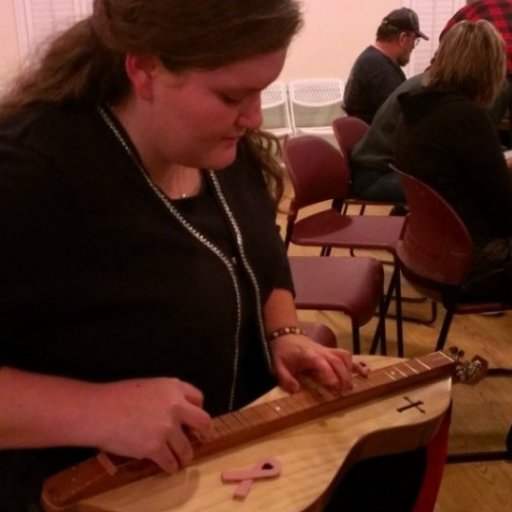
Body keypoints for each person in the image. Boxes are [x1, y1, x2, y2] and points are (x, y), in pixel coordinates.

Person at [0, 1, 432, 511]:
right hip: (95, 490)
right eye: (232, 95)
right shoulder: (28, 175)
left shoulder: (218, 147)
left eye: (260, 91)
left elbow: (261, 255)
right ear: (144, 68)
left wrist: (283, 333)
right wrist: (95, 410)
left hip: (226, 464)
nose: (253, 116)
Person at [396, 19, 512, 303]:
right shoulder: (467, 118)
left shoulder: (416, 108)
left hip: (428, 252)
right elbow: (505, 212)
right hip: (470, 264)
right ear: (490, 69)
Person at [342, 7, 428, 125]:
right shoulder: (380, 69)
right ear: (403, 38)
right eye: (414, 39)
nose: (413, 46)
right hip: (377, 140)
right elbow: (402, 117)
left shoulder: (370, 60)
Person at [349, 73, 424, 205]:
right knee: (455, 192)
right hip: (376, 175)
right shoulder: (422, 90)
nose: (411, 50)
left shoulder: (423, 83)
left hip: (376, 167)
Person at [440, 0, 512, 126]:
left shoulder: (468, 12)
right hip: (498, 74)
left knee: (478, 129)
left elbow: (445, 46)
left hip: (494, 78)